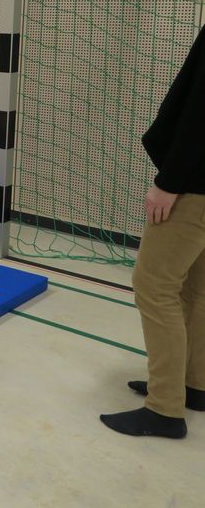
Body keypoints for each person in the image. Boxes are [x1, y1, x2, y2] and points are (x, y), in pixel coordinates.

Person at [101, 22, 205, 439]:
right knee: (195, 288)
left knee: (154, 285)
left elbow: (200, 114)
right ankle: (192, 385)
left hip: (194, 186)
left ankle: (164, 407)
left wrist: (169, 181)